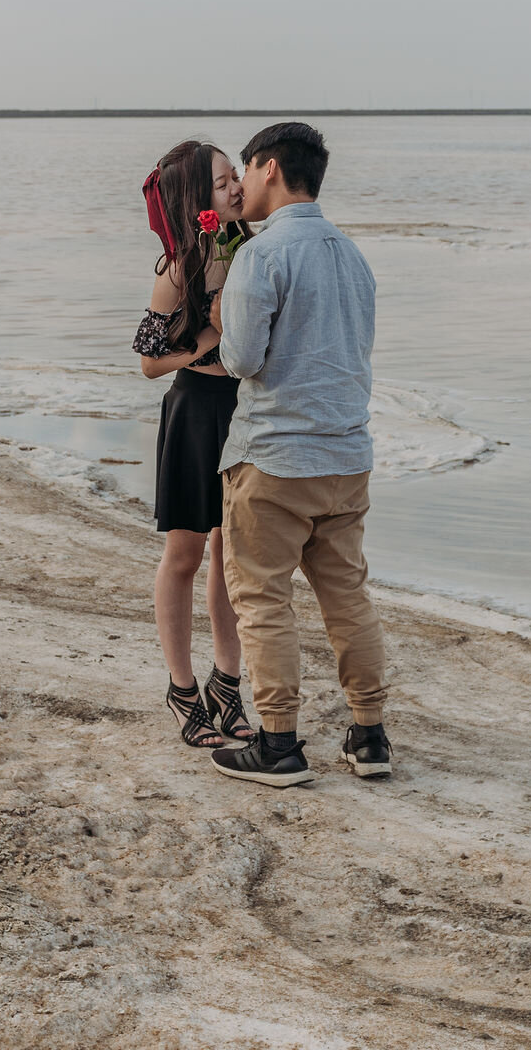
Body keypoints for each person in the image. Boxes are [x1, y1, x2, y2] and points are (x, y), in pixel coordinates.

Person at [207, 121, 390, 787]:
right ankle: (369, 735)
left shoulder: (263, 255)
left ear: (271, 168)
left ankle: (278, 743)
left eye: (248, 172)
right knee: (347, 595)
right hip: (347, 454)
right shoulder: (351, 254)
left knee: (261, 598)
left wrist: (223, 313)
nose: (243, 186)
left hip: (276, 457)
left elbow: (243, 359)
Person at [133, 139, 255, 749]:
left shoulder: (250, 250)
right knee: (185, 556)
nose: (235, 188)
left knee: (233, 557)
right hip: (195, 409)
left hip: (249, 410)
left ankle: (228, 685)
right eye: (221, 182)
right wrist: (213, 330)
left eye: (236, 177)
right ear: (194, 199)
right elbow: (152, 364)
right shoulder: (177, 267)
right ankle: (182, 688)